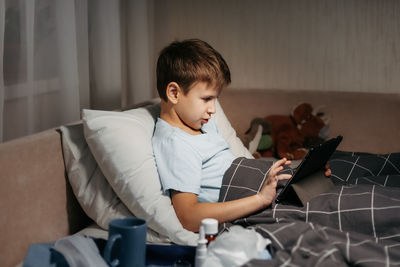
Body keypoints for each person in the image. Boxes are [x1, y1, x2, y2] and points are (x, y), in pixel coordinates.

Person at [152, 39, 328, 232]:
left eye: (215, 99)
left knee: (342, 169)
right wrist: (260, 199)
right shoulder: (175, 143)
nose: (213, 109)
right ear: (174, 93)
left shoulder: (202, 122)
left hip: (266, 181)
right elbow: (189, 217)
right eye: (206, 99)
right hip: (255, 199)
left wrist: (303, 172)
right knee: (344, 208)